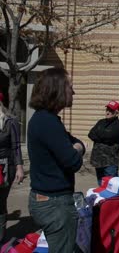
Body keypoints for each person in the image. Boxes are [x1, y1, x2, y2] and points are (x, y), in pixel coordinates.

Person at [27, 68, 85, 253]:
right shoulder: (47, 122)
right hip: (55, 204)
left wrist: (76, 146)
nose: (73, 91)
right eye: (68, 86)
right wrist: (76, 148)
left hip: (48, 200)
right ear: (56, 90)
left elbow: (76, 143)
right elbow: (73, 161)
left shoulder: (46, 120)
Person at [0, 100, 24, 242]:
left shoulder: (10, 122)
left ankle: (1, 237)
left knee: (1, 202)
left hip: (4, 167)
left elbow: (16, 146)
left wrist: (19, 167)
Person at [88, 100, 119, 185]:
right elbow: (91, 134)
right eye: (107, 109)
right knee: (101, 186)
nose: (108, 112)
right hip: (98, 161)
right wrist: (103, 136)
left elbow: (109, 136)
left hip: (110, 163)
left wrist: (99, 135)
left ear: (116, 112)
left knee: (112, 188)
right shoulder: (101, 122)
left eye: (110, 110)